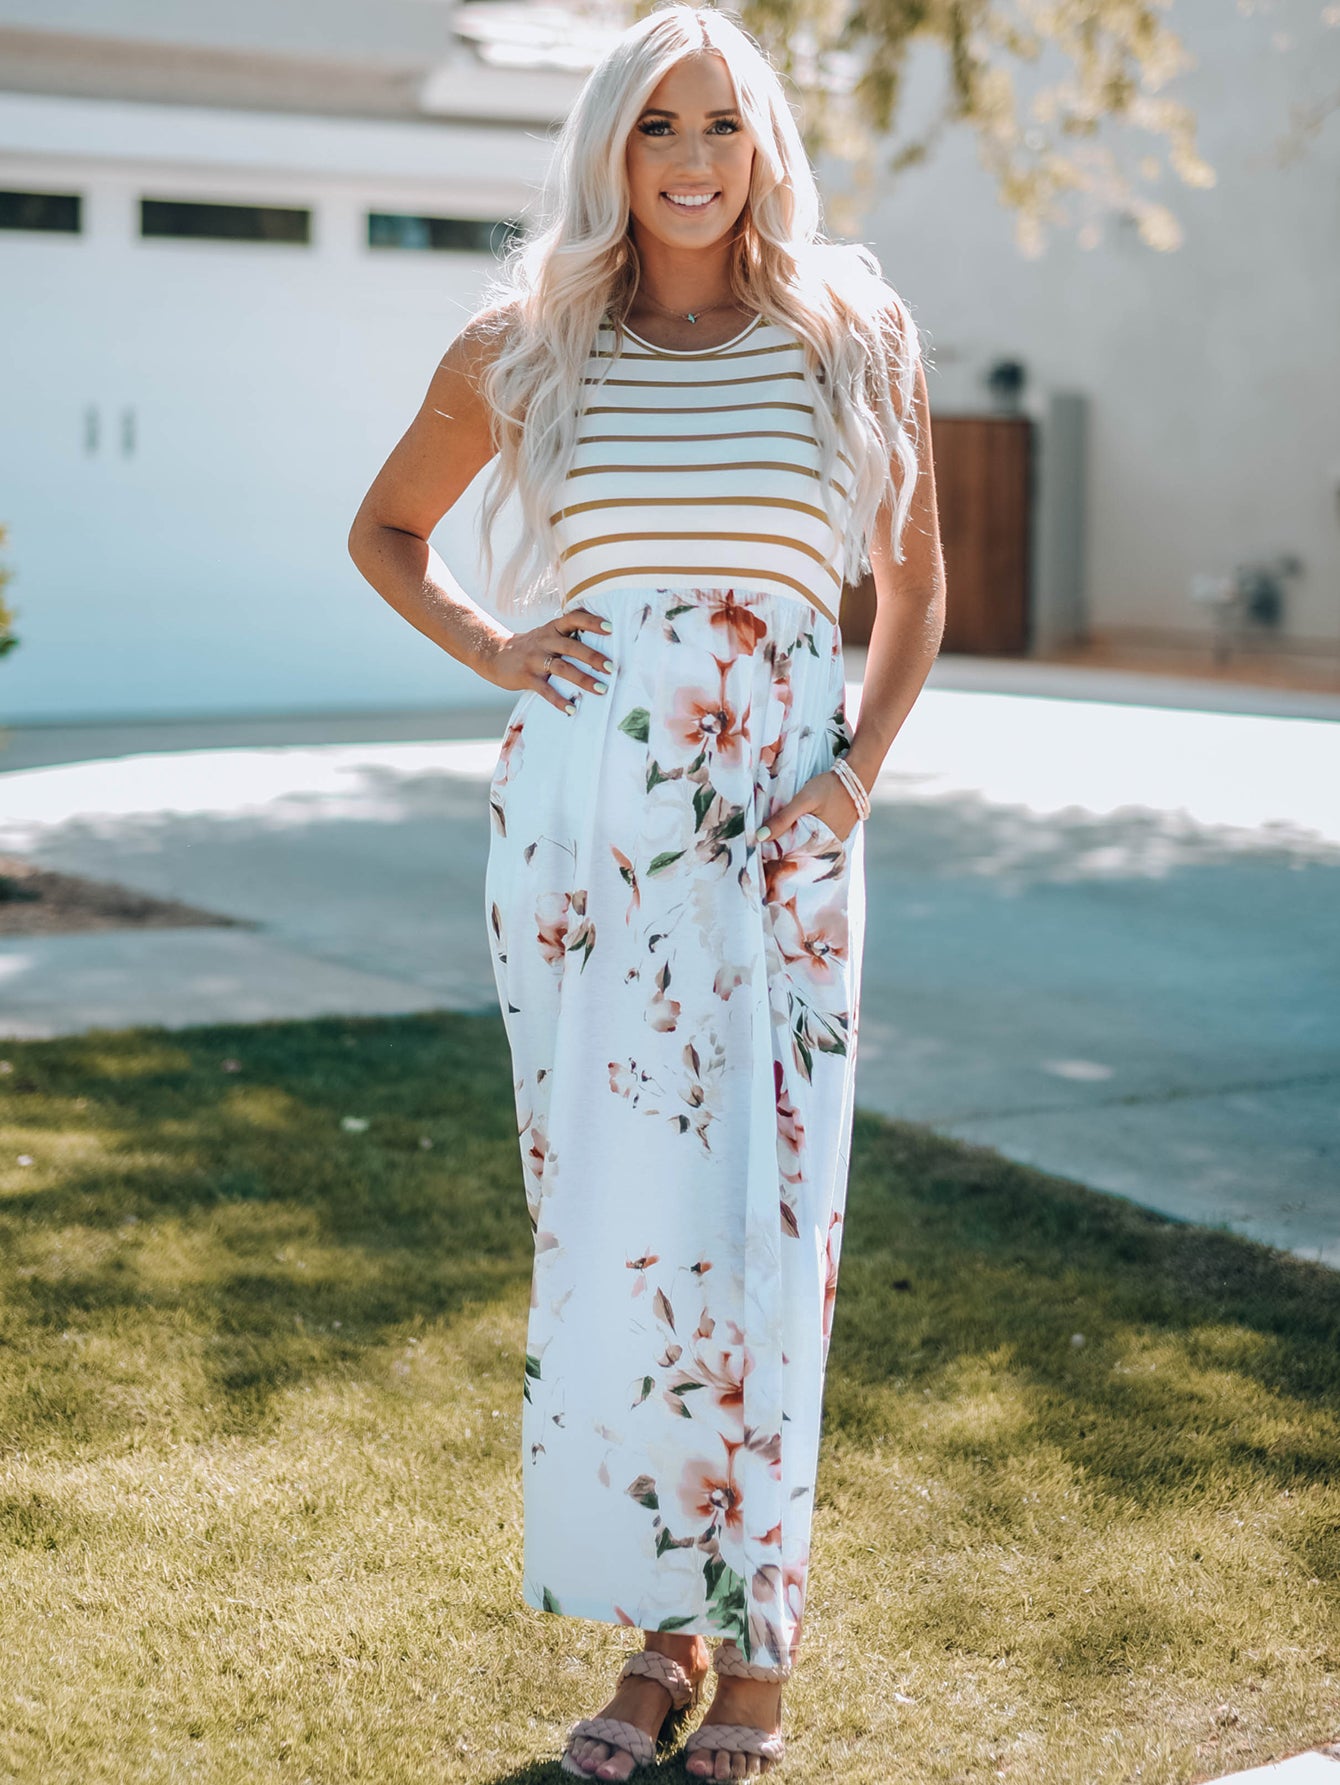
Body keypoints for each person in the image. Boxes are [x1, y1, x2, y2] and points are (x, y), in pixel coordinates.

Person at [348, 3, 945, 1775]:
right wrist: (493, 641)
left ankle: (757, 1656)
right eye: (657, 128)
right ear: (611, 148)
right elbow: (387, 528)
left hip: (779, 832)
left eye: (723, 126)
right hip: (579, 842)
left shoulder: (852, 325)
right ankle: (654, 1643)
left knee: (768, 1234)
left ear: (765, 144)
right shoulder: (527, 333)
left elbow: (908, 597)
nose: (692, 161)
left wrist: (851, 778)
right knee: (614, 1233)